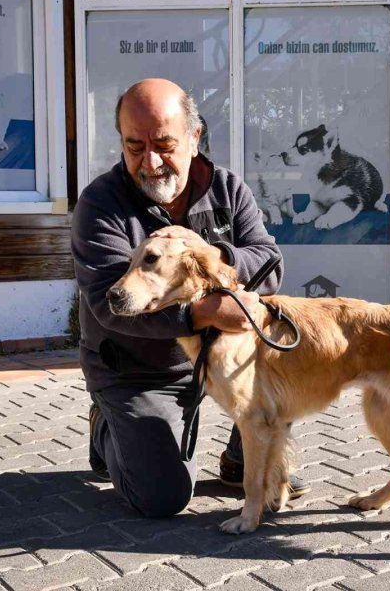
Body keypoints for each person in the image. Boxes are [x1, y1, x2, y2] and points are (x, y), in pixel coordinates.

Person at [71, 78, 309, 517]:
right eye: (135, 146)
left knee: (282, 360)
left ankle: (241, 460)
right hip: (142, 369)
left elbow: (269, 263)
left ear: (194, 137)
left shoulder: (227, 189)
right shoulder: (100, 204)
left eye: (164, 143)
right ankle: (108, 427)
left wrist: (211, 256)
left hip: (225, 360)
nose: (151, 161)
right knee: (162, 497)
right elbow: (110, 305)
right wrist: (200, 313)